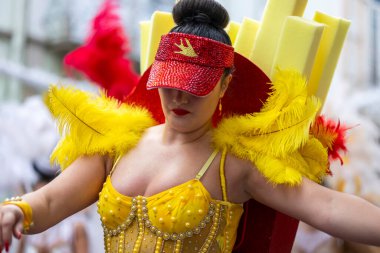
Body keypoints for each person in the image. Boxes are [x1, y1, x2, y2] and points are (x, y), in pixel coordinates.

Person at [1, 0, 380, 252]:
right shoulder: (117, 145)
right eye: (170, 83)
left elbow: (328, 207)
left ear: (224, 84)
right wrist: (17, 211)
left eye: (193, 88)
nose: (178, 98)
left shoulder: (234, 164)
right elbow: (50, 200)